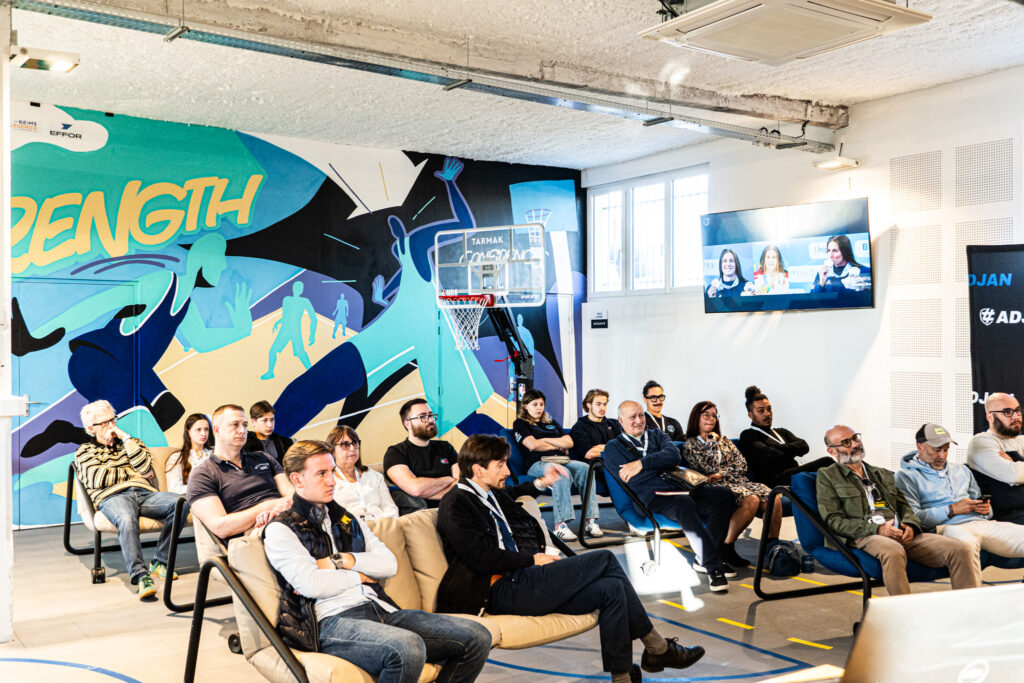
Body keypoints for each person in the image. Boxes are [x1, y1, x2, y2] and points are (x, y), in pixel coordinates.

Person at [436, 434, 705, 682]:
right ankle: (657, 647)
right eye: (500, 465)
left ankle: (622, 676)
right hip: (499, 589)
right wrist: (532, 560)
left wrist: (542, 482)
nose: (507, 471)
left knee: (611, 589)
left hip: (522, 579)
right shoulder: (456, 503)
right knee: (605, 559)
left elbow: (513, 494)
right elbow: (480, 557)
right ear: (478, 469)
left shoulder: (488, 494)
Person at [263, 440, 491, 682]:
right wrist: (358, 576)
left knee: (477, 637)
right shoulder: (281, 529)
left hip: (379, 607)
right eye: (321, 474)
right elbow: (312, 585)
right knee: (406, 648)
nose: (332, 481)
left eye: (332, 471)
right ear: (297, 480)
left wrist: (343, 560)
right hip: (330, 619)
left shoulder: (346, 518)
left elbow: (388, 564)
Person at [815, 425, 980, 596]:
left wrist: (910, 525)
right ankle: (902, 609)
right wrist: (878, 529)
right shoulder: (827, 476)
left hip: (899, 530)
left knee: (959, 549)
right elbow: (833, 520)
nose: (856, 444)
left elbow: (904, 506)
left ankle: (968, 607)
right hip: (865, 534)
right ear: (832, 451)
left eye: (855, 438)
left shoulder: (882, 474)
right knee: (893, 550)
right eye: (846, 443)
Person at [604, 401, 737, 593]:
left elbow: (673, 456)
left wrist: (641, 464)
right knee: (683, 502)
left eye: (641, 415)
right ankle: (713, 567)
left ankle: (704, 557)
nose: (638, 420)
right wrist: (659, 463)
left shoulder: (657, 435)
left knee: (724, 496)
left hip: (682, 488)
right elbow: (632, 479)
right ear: (620, 420)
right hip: (653, 498)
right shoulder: (614, 447)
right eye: (632, 417)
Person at [73, 400, 187, 599]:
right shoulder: (84, 451)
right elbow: (97, 478)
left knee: (181, 503)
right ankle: (141, 575)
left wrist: (126, 438)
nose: (112, 426)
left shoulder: (131, 442)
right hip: (113, 496)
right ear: (91, 428)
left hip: (144, 493)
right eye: (105, 423)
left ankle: (160, 561)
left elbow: (144, 468)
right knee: (126, 518)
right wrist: (132, 474)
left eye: (113, 420)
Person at [896, 423, 1024, 570]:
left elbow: (984, 508)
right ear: (920, 446)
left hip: (981, 524)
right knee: (966, 546)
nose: (942, 456)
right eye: (936, 450)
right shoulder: (905, 476)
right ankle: (970, 586)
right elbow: (913, 518)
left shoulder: (961, 470)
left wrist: (984, 509)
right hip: (948, 527)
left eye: (946, 450)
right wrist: (951, 510)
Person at [681, 401, 781, 567]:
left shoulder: (725, 440)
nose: (711, 419)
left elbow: (742, 465)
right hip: (716, 488)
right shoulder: (691, 444)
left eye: (714, 415)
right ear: (696, 418)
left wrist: (722, 473)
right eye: (706, 415)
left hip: (739, 482)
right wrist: (712, 443)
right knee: (752, 499)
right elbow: (707, 468)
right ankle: (726, 548)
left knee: (774, 498)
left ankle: (773, 550)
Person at [187, 404, 294, 541]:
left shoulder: (263, 457)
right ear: (217, 430)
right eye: (235, 425)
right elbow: (221, 527)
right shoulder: (202, 474)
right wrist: (267, 507)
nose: (243, 430)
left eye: (245, 425)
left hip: (286, 518)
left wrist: (277, 509)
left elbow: (291, 493)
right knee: (278, 530)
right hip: (254, 532)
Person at [513, 389, 601, 541]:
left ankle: (590, 520)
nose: (539, 408)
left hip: (561, 459)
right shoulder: (520, 424)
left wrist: (544, 441)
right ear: (526, 406)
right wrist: (557, 444)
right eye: (535, 404)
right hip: (538, 463)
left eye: (541, 404)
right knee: (560, 472)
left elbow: (569, 442)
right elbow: (532, 445)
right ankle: (560, 525)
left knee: (586, 468)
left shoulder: (550, 422)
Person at [738, 386, 831, 488]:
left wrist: (777, 448)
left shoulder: (782, 431)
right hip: (774, 480)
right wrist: (792, 450)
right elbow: (770, 456)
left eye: (769, 409)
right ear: (750, 415)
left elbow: (804, 446)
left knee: (828, 471)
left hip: (792, 472)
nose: (767, 414)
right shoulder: (748, 435)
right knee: (826, 461)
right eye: (761, 411)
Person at [382, 399, 458, 515]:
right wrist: (448, 479)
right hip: (424, 515)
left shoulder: (446, 447)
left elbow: (462, 483)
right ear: (408, 424)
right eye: (422, 417)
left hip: (457, 507)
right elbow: (415, 489)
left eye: (431, 415)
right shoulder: (395, 453)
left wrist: (426, 491)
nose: (430, 420)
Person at [967, 392, 1024, 524]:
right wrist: (1015, 469)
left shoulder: (1020, 440)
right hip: (1007, 517)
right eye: (1007, 412)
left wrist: (1015, 464)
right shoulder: (981, 442)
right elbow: (1013, 475)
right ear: (990, 417)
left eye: (1017, 410)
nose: (1016, 416)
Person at [326, 425, 399, 521]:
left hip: (381, 524)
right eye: (345, 444)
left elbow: (390, 508)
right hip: (353, 528)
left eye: (354, 442)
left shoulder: (375, 476)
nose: (352, 448)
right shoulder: (328, 482)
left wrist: (387, 526)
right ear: (332, 451)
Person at [262, 280, 318, 379]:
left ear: (301, 290)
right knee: (273, 351)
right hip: (285, 330)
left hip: (295, 330)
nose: (297, 289)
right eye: (296, 287)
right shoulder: (286, 300)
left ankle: (313, 373)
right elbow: (286, 316)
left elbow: (313, 318)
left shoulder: (304, 301)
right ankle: (270, 372)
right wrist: (278, 322)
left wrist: (312, 334)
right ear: (293, 288)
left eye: (299, 288)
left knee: (300, 353)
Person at [165, 413, 214, 495]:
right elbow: (174, 489)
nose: (203, 433)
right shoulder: (177, 458)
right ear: (188, 432)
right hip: (191, 498)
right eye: (198, 429)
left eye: (206, 429)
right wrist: (201, 487)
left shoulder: (214, 455)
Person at [569, 389, 622, 461]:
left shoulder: (614, 423)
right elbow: (589, 454)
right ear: (588, 405)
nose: (602, 408)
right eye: (598, 404)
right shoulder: (579, 427)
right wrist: (614, 448)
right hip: (593, 465)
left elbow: (625, 447)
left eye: (604, 404)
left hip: (616, 463)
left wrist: (601, 447)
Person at [244, 400, 294, 465]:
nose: (269, 425)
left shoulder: (285, 442)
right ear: (253, 422)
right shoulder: (244, 444)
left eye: (272, 420)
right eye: (264, 420)